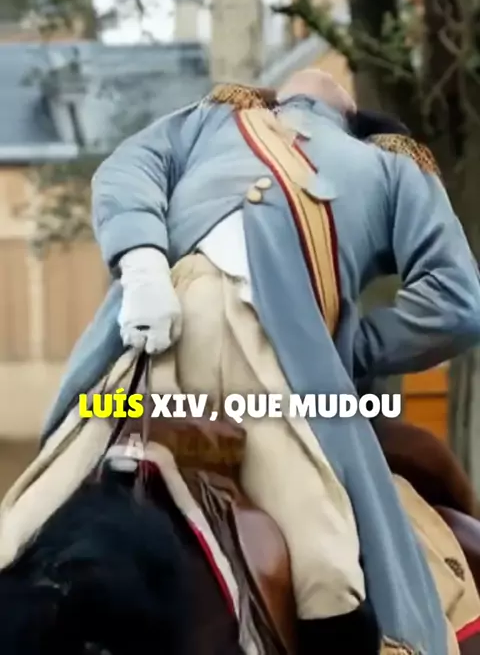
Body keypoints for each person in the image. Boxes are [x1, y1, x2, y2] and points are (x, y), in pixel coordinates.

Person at [1, 70, 480, 655]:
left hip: (227, 370)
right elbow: (458, 304)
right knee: (327, 574)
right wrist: (144, 262)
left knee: (327, 571)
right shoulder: (369, 160)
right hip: (171, 357)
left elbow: (459, 302)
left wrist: (337, 348)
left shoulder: (228, 124)